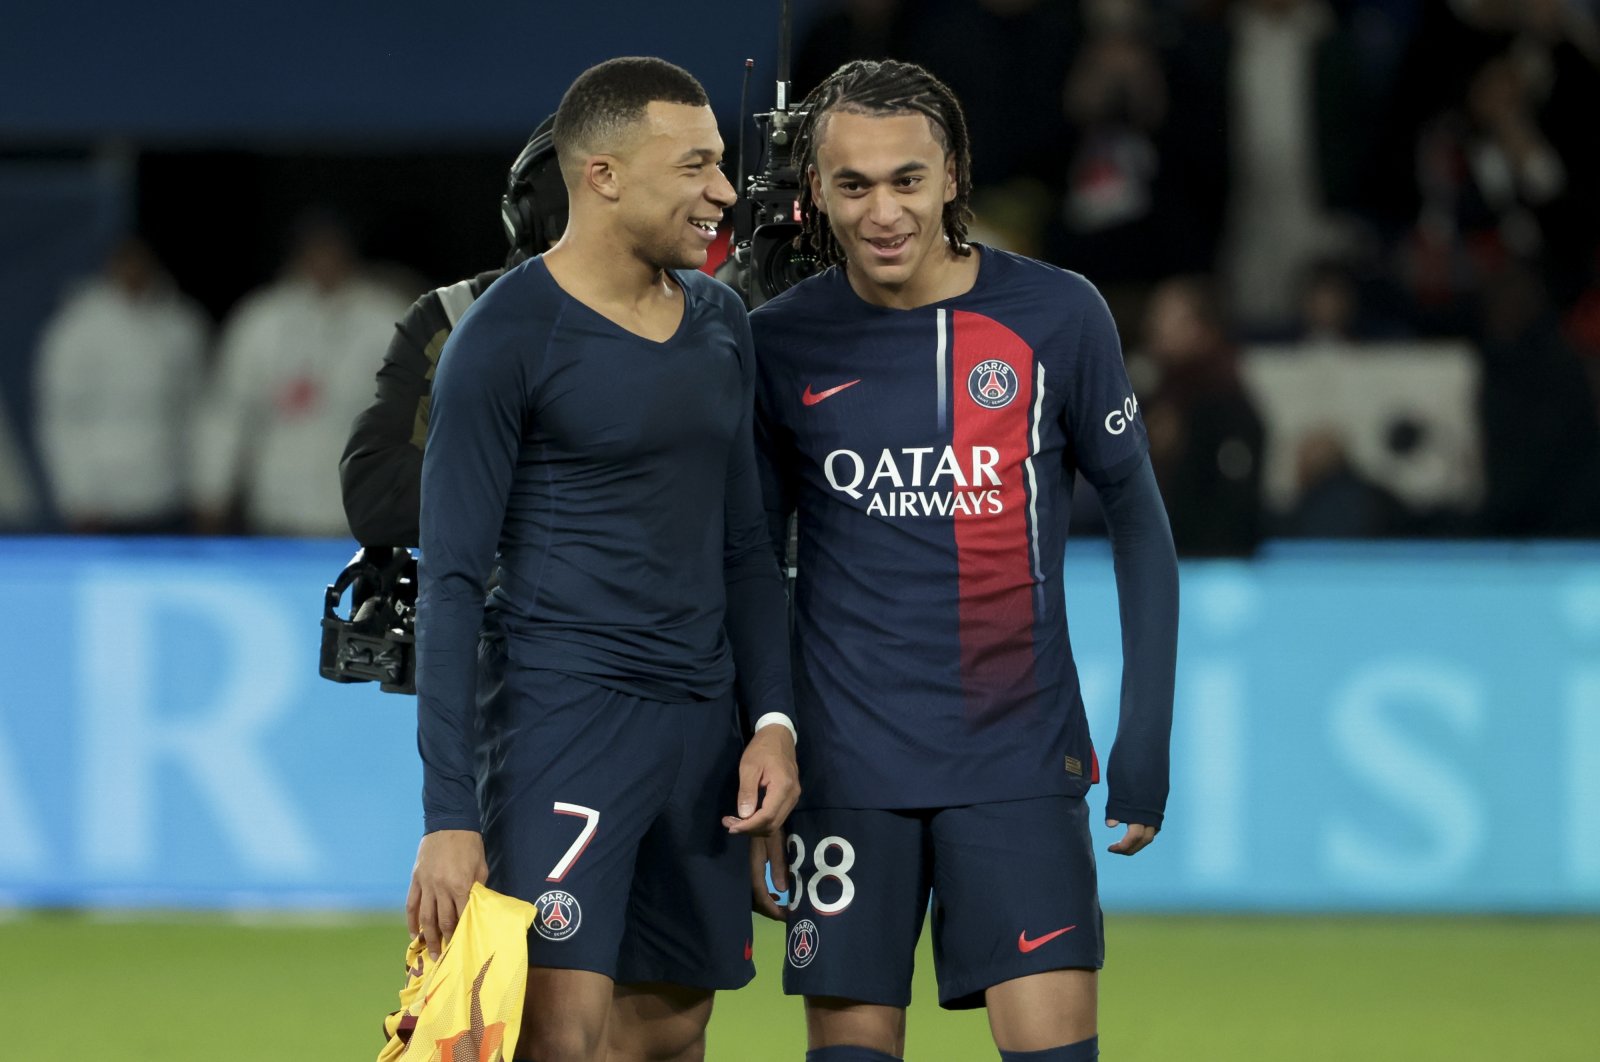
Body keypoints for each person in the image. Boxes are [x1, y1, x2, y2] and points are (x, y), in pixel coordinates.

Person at [749, 59, 1178, 1062]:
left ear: (952, 177)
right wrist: (761, 742)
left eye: (908, 178)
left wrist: (1143, 741)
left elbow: (1139, 523)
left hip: (1015, 763)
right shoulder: (776, 342)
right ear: (814, 192)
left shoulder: (1057, 317)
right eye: (853, 185)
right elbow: (750, 567)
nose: (884, 210)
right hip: (844, 770)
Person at [408, 57, 799, 1062]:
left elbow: (748, 548)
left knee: (672, 1032)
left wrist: (771, 722)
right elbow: (450, 582)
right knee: (559, 1037)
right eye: (696, 166)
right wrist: (449, 817)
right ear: (604, 176)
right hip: (562, 724)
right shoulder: (504, 340)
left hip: (701, 730)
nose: (724, 191)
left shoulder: (720, 325)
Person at [340, 116, 568, 549]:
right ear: (529, 220)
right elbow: (379, 500)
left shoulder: (698, 315)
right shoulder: (455, 315)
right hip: (502, 607)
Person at [193, 211, 408, 536]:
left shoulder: (385, 317)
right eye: (315, 249)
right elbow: (230, 413)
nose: (324, 259)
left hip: (359, 509)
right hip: (278, 505)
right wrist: (213, 491)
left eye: (332, 248)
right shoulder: (261, 319)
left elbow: (413, 414)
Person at [35, 235, 208, 533]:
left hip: (167, 492)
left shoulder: (180, 323)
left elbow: (197, 411)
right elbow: (61, 418)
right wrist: (77, 493)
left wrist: (204, 484)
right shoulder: (77, 327)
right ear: (111, 266)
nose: (133, 270)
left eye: (140, 262)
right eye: (126, 262)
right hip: (102, 498)